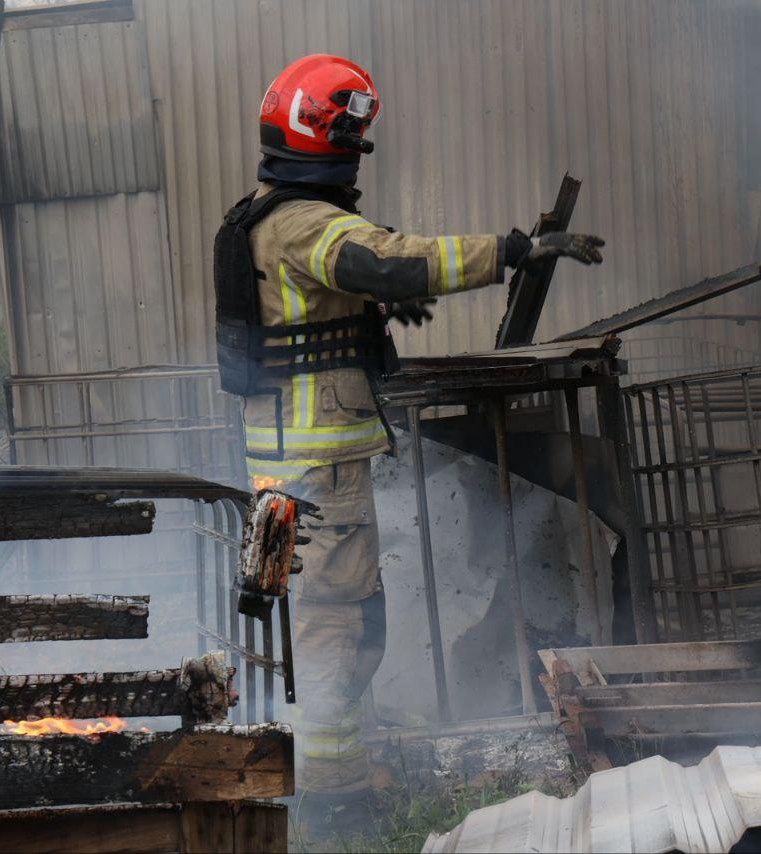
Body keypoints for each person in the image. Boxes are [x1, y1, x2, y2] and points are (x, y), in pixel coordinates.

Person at [212, 53, 604, 827]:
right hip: (318, 473)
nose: (358, 152)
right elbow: (386, 258)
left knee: (335, 623)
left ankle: (325, 782)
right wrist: (513, 250)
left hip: (294, 462)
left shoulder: (260, 215)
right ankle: (333, 803)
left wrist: (372, 312)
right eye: (352, 138)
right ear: (325, 138)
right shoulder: (303, 222)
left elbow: (327, 298)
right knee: (340, 628)